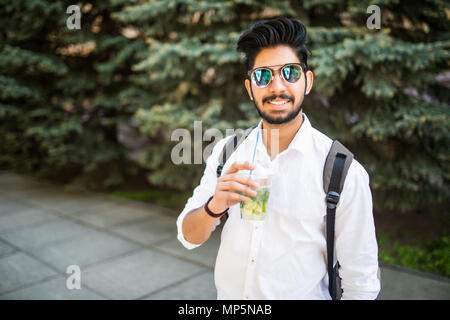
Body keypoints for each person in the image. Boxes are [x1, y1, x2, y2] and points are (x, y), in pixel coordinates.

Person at [176, 17, 380, 300]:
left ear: (307, 82)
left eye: (290, 72)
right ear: (250, 89)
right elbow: (188, 237)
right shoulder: (227, 151)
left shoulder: (341, 171)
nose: (276, 86)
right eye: (262, 75)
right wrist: (215, 206)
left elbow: (362, 281)